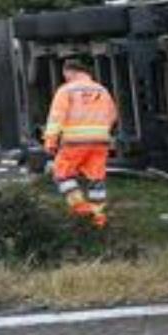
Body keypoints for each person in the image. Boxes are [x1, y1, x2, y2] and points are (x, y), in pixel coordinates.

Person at [43, 58, 118, 228]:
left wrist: (50, 140)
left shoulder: (66, 90)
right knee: (96, 178)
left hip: (74, 141)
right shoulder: (102, 90)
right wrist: (100, 131)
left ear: (69, 72)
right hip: (100, 141)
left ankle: (82, 209)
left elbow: (56, 117)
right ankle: (98, 218)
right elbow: (112, 114)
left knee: (62, 174)